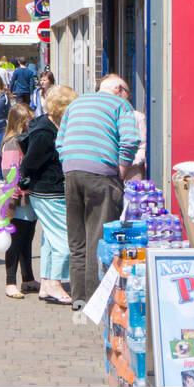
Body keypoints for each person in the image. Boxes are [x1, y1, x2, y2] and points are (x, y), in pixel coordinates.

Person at [58, 75, 141, 308]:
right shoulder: (120, 105)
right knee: (98, 239)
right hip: (102, 175)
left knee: (77, 239)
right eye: (127, 93)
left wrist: (68, 163)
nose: (128, 99)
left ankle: (79, 296)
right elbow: (131, 140)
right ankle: (96, 301)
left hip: (72, 173)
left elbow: (60, 141)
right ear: (118, 88)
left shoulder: (76, 103)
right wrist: (121, 171)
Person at [18, 85, 78, 306]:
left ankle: (46, 282)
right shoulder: (45, 131)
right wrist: (26, 181)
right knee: (64, 239)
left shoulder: (50, 126)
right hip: (48, 191)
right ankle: (54, 281)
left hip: (48, 190)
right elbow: (30, 162)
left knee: (51, 239)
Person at [0, 103, 38, 299]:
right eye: (27, 121)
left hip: (28, 197)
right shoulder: (12, 143)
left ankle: (28, 278)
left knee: (27, 238)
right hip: (17, 199)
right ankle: (10, 281)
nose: (30, 124)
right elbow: (9, 173)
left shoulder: (25, 140)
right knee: (15, 242)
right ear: (18, 122)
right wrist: (13, 198)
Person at [99, 75, 147, 181]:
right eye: (127, 92)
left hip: (132, 172)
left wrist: (124, 166)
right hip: (107, 171)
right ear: (119, 90)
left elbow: (142, 146)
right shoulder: (102, 115)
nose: (128, 96)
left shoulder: (137, 116)